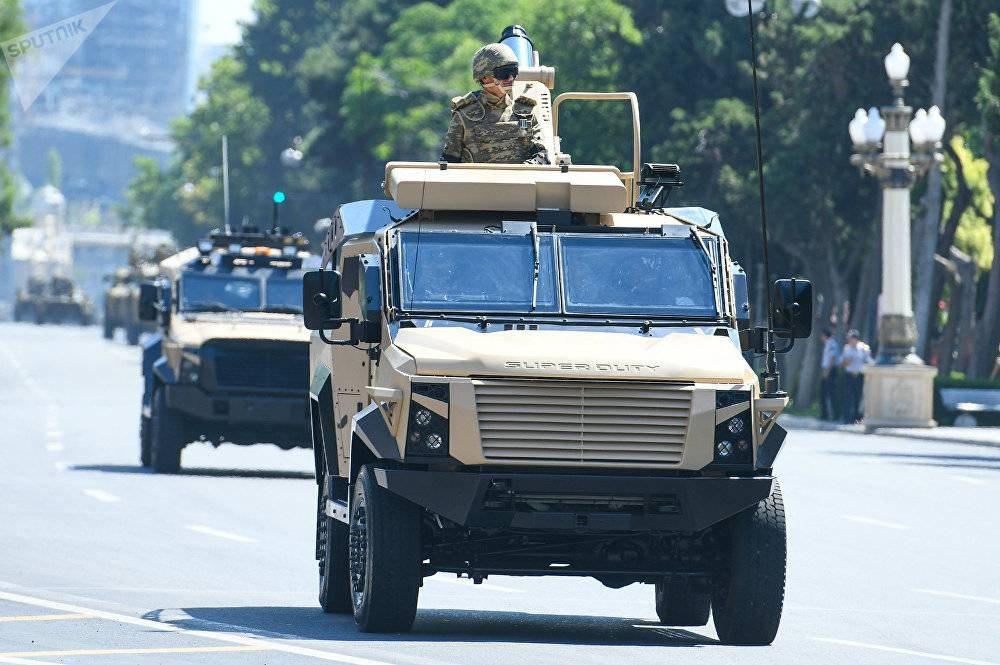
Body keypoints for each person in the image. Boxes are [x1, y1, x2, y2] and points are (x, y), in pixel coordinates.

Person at [440, 43, 549, 165]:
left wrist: (521, 173)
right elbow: (449, 161)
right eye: (504, 73)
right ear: (485, 78)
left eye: (514, 72)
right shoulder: (464, 115)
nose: (511, 78)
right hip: (478, 183)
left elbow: (542, 156)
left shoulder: (525, 113)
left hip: (520, 182)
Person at [840, 329, 873, 423]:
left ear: (856, 339)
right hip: (849, 375)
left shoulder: (863, 348)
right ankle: (847, 418)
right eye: (849, 339)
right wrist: (847, 361)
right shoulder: (846, 348)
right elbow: (841, 363)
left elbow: (869, 361)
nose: (850, 341)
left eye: (852, 339)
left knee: (858, 397)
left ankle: (857, 418)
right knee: (848, 396)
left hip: (859, 375)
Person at [819, 328, 841, 421]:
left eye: (822, 335)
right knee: (823, 393)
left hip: (830, 370)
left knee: (831, 394)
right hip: (826, 369)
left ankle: (834, 415)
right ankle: (824, 415)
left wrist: (827, 371)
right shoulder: (828, 343)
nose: (821, 338)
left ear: (825, 335)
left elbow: (832, 357)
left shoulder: (831, 343)